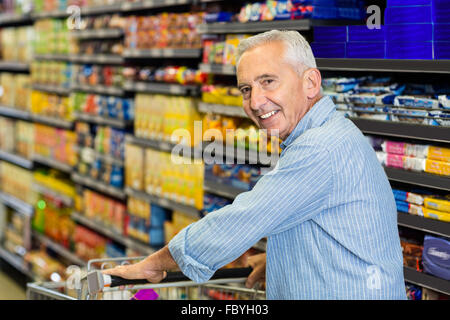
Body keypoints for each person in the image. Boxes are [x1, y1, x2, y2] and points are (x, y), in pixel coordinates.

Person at [103, 30, 406, 300]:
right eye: (246, 89)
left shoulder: (321, 148)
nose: (256, 102)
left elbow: (240, 221)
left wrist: (152, 266)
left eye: (268, 82)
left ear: (310, 82)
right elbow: (325, 225)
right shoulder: (328, 133)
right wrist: (282, 258)